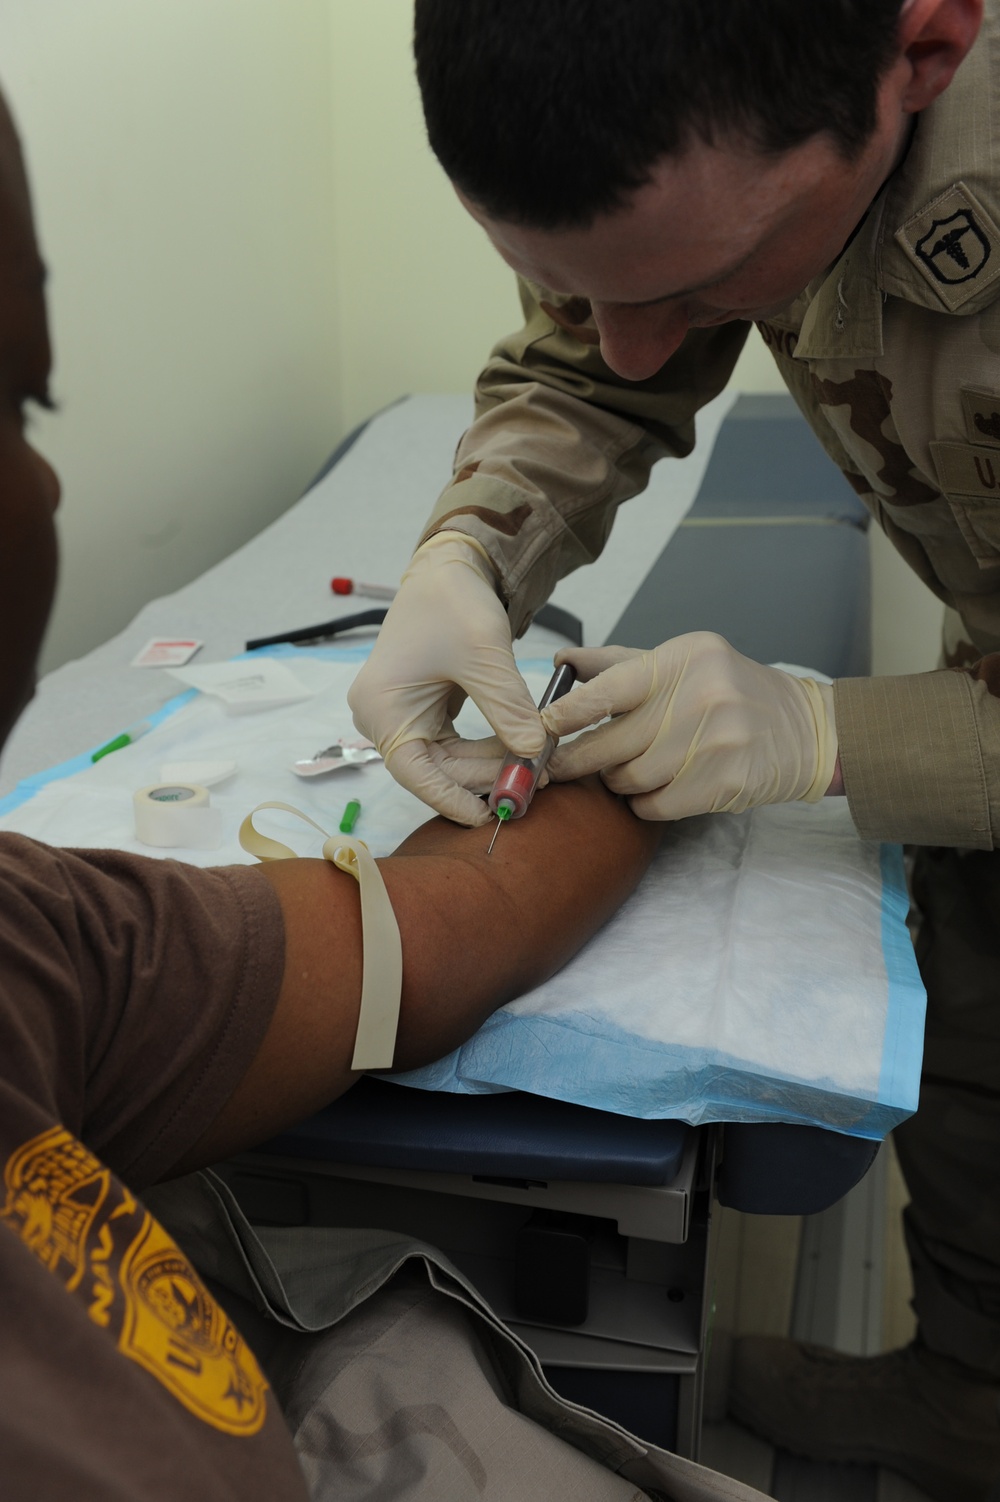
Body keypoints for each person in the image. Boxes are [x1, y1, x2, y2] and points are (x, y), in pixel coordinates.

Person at [0, 82, 773, 1502]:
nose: (47, 490)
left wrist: (613, 752)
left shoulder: (25, 940)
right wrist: (476, 550)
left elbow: (427, 932)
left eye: (27, 398)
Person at [346, 1, 1000, 1498]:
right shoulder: (714, 127)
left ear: (924, 50)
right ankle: (968, 1393)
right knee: (967, 1004)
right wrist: (469, 555)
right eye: (563, 276)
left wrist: (840, 730)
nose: (646, 338)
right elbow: (597, 361)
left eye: (709, 282)